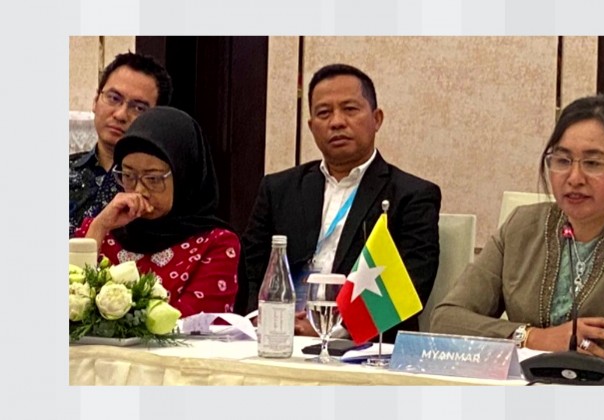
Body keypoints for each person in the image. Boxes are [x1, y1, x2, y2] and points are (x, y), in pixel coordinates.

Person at [431, 94, 604, 364]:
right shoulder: (522, 225)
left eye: (593, 163)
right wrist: (532, 337)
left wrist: (559, 343)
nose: (574, 178)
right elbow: (446, 320)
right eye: (562, 161)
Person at [240, 63, 441, 342]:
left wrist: (332, 331)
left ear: (377, 119)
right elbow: (252, 268)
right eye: (324, 113)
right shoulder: (278, 189)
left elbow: (410, 283)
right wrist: (264, 319)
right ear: (311, 126)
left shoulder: (411, 195)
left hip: (363, 347)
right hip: (278, 336)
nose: (336, 122)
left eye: (349, 109)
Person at [75, 106, 239, 318]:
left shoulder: (216, 244)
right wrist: (100, 226)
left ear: (184, 177)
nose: (139, 190)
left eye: (153, 179)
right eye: (128, 176)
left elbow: (190, 324)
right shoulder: (99, 231)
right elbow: (69, 305)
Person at [69, 52, 173, 236]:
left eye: (139, 108)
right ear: (95, 100)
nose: (120, 115)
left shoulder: (161, 185)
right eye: (113, 98)